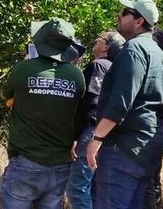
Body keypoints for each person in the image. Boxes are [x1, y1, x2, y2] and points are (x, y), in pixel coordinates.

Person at [86, 0, 163, 209]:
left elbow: (121, 101)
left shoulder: (133, 50)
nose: (119, 16)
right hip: (147, 146)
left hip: (123, 148)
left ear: (139, 21)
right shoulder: (161, 55)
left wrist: (96, 139)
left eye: (125, 12)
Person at [0, 18, 86, 209]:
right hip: (61, 165)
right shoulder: (77, 76)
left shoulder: (23, 69)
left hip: (26, 162)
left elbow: (5, 95)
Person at [65, 31, 125, 209]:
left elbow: (91, 103)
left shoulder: (98, 66)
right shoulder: (113, 68)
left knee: (76, 188)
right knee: (92, 186)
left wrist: (75, 135)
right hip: (103, 133)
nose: (97, 39)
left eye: (102, 38)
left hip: (89, 132)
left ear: (107, 46)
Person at [145, 26, 163, 209]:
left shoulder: (152, 63)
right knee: (153, 179)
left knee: (147, 180)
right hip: (161, 129)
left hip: (151, 129)